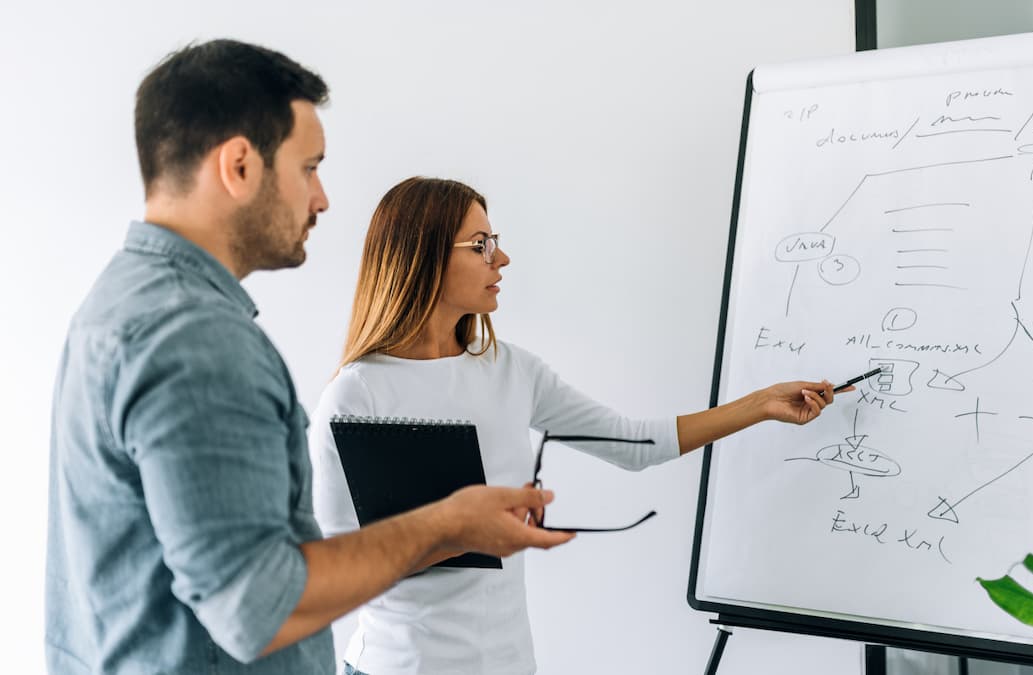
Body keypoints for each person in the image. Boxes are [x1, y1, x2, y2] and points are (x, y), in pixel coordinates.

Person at [45, 40, 573, 675]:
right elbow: (258, 607)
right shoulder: (195, 340)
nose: (321, 198)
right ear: (239, 165)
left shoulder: (119, 301)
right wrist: (449, 524)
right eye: (309, 168)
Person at [309, 176, 850, 675]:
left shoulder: (510, 369)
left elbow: (636, 444)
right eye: (481, 245)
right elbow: (336, 571)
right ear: (423, 256)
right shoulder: (358, 395)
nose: (503, 259)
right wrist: (460, 532)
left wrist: (760, 404)